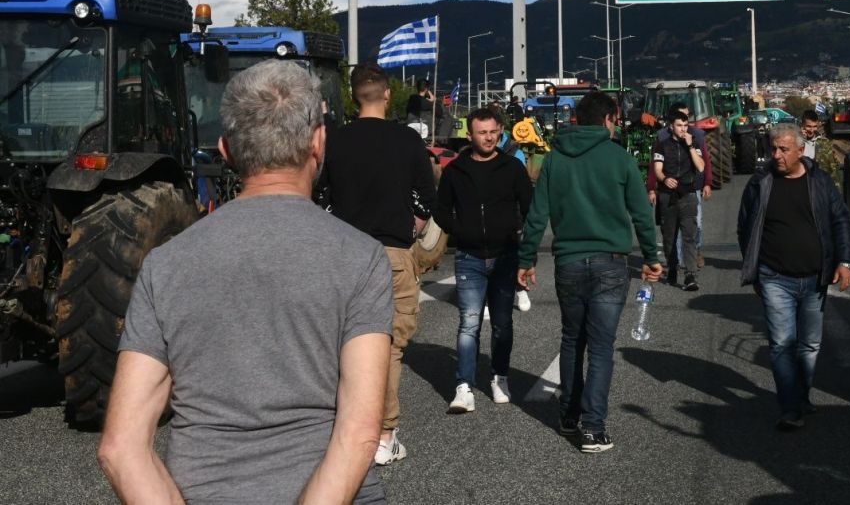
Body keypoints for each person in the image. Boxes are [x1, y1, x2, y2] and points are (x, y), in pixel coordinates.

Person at [100, 60, 392, 503]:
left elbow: (121, 448)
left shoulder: (166, 264)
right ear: (319, 142)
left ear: (226, 150)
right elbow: (359, 435)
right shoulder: (361, 258)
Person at [517, 91, 661, 453]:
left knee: (571, 339)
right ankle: (593, 428)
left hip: (568, 262)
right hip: (610, 262)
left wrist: (526, 259)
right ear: (610, 119)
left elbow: (537, 214)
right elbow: (642, 213)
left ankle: (568, 416)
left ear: (577, 119)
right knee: (600, 348)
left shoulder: (554, 160)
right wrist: (651, 256)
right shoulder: (620, 158)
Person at [318, 62, 436, 466]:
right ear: (387, 94)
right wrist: (411, 222)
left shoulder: (335, 140)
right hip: (393, 252)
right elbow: (426, 197)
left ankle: (344, 427)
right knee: (390, 346)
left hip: (345, 252)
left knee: (344, 341)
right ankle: (384, 435)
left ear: (353, 97)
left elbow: (321, 196)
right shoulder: (407, 140)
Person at [737, 123, 850, 431]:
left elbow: (840, 220)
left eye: (783, 149)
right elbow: (745, 227)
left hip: (815, 278)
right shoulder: (760, 183)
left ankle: (801, 396)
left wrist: (845, 261)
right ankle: (789, 407)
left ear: (801, 151)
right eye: (773, 149)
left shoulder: (820, 182)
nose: (776, 155)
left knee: (810, 345)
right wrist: (754, 266)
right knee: (781, 344)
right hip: (774, 277)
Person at [434, 107, 533, 413]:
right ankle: (463, 386)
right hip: (469, 257)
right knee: (469, 323)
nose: (489, 138)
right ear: (470, 135)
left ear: (500, 131)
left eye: (493, 132)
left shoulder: (512, 168)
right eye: (482, 132)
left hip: (505, 256)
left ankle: (499, 377)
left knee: (503, 324)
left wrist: (525, 251)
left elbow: (530, 207)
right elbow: (440, 210)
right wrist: (460, 232)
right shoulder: (455, 171)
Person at [647, 102, 712, 269]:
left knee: (694, 223)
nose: (684, 125)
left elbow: (704, 162)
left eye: (686, 120)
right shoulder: (661, 138)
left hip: (691, 187)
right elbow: (654, 165)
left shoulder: (697, 135)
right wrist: (652, 188)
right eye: (679, 120)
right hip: (668, 191)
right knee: (670, 229)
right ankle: (675, 262)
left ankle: (693, 255)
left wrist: (707, 182)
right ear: (672, 121)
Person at [800, 109, 839, 187]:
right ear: (802, 125)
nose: (812, 130)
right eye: (808, 126)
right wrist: (800, 139)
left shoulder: (825, 143)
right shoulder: (795, 142)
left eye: (814, 126)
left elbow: (832, 169)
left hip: (819, 186)